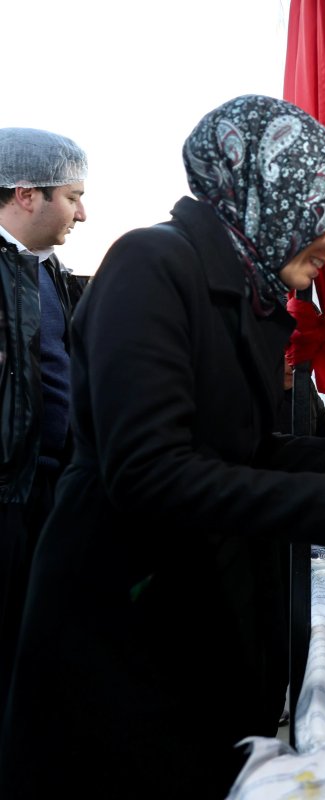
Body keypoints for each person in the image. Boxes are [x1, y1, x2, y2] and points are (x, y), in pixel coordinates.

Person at [0, 95, 325, 799]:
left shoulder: (246, 289)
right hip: (123, 611)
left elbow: (243, 447)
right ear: (280, 198)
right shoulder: (150, 265)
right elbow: (148, 471)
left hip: (196, 600)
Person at [0, 127, 89, 722]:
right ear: (27, 194)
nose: (82, 214)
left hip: (47, 486)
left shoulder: (48, 271)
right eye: (73, 197)